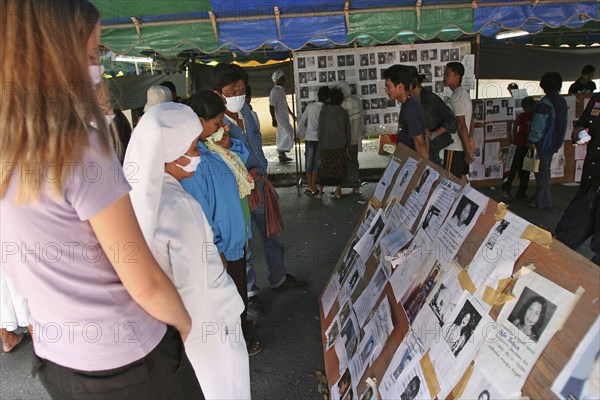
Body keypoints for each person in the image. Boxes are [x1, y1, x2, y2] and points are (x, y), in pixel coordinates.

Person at [0, 1, 203, 398]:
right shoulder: (78, 147)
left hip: (56, 357)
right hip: (127, 360)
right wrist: (185, 326)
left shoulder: (10, 146)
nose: (98, 66)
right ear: (55, 56)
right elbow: (142, 280)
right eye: (92, 54)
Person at [125, 102, 250, 399]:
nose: (197, 155)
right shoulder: (180, 207)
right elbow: (194, 288)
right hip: (207, 326)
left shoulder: (136, 193)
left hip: (170, 329)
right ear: (169, 154)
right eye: (193, 147)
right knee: (226, 387)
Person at [211, 63, 307, 317]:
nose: (237, 95)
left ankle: (278, 277)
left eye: (241, 89)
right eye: (231, 91)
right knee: (243, 243)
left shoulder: (249, 112)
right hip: (236, 191)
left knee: (271, 233)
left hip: (261, 184)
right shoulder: (215, 121)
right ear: (218, 92)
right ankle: (250, 292)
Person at [181, 91, 262, 356]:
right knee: (227, 297)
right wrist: (215, 248)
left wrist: (229, 144)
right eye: (217, 123)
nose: (223, 128)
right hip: (222, 244)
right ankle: (235, 342)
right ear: (198, 122)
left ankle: (240, 328)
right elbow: (201, 212)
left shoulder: (217, 148)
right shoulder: (196, 159)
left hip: (235, 236)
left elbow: (242, 160)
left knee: (237, 292)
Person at [555, 92, 600, 265]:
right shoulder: (597, 100)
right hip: (590, 187)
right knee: (561, 240)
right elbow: (580, 126)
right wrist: (580, 133)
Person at [527, 72, 568, 209]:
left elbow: (538, 124)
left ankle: (543, 201)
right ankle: (539, 198)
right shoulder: (562, 101)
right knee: (545, 171)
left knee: (542, 173)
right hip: (556, 140)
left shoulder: (545, 102)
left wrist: (532, 140)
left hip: (544, 142)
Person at [382, 65, 428, 160]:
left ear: (400, 87)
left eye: (388, 87)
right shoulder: (407, 104)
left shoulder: (411, 108)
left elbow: (420, 144)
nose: (386, 90)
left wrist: (421, 171)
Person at [411, 72, 457, 166]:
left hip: (432, 147)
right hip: (420, 147)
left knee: (432, 175)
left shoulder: (430, 98)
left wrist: (434, 134)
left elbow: (451, 119)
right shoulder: (412, 99)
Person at [317, 88, 351, 199]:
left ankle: (320, 192)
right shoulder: (344, 113)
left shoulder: (323, 111)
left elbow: (320, 129)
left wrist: (321, 143)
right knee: (339, 168)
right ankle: (338, 191)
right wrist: (347, 145)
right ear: (341, 100)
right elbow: (347, 131)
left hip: (326, 144)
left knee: (324, 167)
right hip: (339, 144)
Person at [500, 96, 536, 201]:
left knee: (511, 170)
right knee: (525, 171)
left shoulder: (522, 116)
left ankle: (506, 191)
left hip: (517, 146)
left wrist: (514, 140)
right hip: (528, 147)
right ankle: (521, 192)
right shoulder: (534, 116)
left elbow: (514, 129)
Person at [443, 62, 474, 180]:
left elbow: (461, 125)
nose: (444, 77)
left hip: (455, 147)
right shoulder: (463, 93)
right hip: (461, 146)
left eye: (447, 74)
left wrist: (467, 151)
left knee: (451, 181)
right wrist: (470, 140)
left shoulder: (457, 97)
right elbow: (471, 120)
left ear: (457, 76)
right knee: (461, 179)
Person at [298, 86, 329, 196]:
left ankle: (310, 186)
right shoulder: (326, 109)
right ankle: (313, 185)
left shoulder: (310, 106)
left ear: (318, 95)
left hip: (310, 138)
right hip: (320, 139)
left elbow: (302, 121)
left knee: (309, 161)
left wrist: (298, 134)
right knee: (317, 163)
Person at [337, 81, 365, 194]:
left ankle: (341, 187)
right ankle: (356, 187)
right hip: (355, 137)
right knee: (354, 162)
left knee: (344, 163)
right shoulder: (355, 102)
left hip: (346, 139)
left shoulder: (342, 105)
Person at [269, 70, 296, 162]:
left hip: (284, 116)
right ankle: (281, 151)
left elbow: (285, 104)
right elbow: (271, 106)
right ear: (276, 80)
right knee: (289, 133)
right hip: (279, 117)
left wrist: (292, 115)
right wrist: (273, 118)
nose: (284, 80)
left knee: (282, 135)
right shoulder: (274, 91)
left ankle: (282, 155)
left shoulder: (281, 89)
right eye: (282, 78)